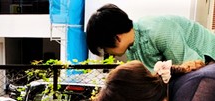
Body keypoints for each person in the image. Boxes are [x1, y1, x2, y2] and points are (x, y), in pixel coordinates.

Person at [86, 4, 215, 71]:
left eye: (105, 48)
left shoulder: (158, 31)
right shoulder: (132, 48)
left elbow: (191, 68)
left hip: (207, 59)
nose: (108, 53)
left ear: (117, 38)